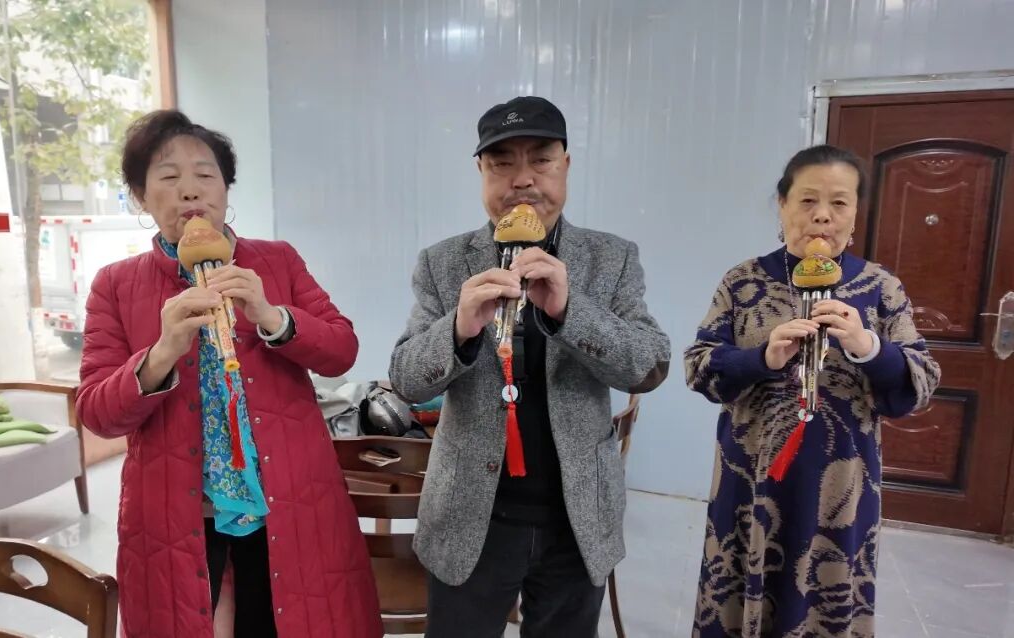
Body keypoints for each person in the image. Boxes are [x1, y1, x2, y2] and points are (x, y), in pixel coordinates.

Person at [75, 110, 382, 638]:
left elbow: (341, 351)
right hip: (176, 512)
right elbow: (97, 414)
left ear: (225, 189)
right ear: (141, 197)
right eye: (168, 177)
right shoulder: (116, 284)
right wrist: (162, 352)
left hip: (290, 499)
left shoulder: (278, 261)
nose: (190, 191)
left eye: (205, 174)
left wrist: (273, 316)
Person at [389, 96, 672, 637]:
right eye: (502, 163)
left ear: (566, 165)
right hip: (469, 514)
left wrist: (571, 311)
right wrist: (458, 328)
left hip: (577, 516)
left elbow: (649, 367)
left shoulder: (610, 258)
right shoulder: (442, 262)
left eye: (540, 160)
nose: (522, 180)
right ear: (480, 171)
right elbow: (405, 378)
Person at [684, 145, 940, 637]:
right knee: (740, 588)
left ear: (856, 213)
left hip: (841, 488)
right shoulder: (742, 281)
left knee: (827, 600)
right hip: (750, 479)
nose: (823, 216)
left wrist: (868, 346)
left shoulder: (880, 287)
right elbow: (698, 369)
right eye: (807, 200)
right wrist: (762, 358)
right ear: (782, 205)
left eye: (839, 203)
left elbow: (920, 383)